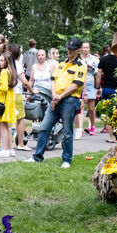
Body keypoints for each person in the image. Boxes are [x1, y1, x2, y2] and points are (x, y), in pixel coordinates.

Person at [28, 38, 86, 168]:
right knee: (44, 128)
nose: (69, 51)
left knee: (67, 132)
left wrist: (59, 96)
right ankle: (37, 157)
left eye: (72, 49)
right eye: (68, 48)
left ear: (78, 50)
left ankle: (66, 160)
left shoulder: (80, 65)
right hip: (56, 99)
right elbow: (53, 80)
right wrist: (54, 95)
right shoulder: (61, 64)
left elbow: (75, 85)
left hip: (70, 100)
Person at [0, 52, 17, 157]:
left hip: (3, 100)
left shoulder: (4, 72)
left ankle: (5, 149)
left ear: (7, 61)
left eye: (2, 60)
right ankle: (10, 148)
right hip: (9, 99)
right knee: (7, 126)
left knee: (2, 125)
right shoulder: (11, 71)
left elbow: (4, 87)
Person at [8, 43, 31, 152]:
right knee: (20, 119)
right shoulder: (17, 64)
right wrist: (32, 90)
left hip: (8, 94)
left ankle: (7, 143)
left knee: (7, 119)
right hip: (16, 94)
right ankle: (20, 143)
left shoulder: (6, 64)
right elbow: (24, 81)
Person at [78, 41, 99, 137]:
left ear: (89, 48)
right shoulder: (78, 59)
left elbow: (98, 73)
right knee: (81, 107)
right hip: (80, 84)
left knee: (91, 108)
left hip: (91, 84)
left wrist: (92, 67)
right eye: (84, 47)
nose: (85, 49)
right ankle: (80, 128)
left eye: (87, 47)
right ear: (81, 49)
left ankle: (92, 126)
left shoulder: (94, 59)